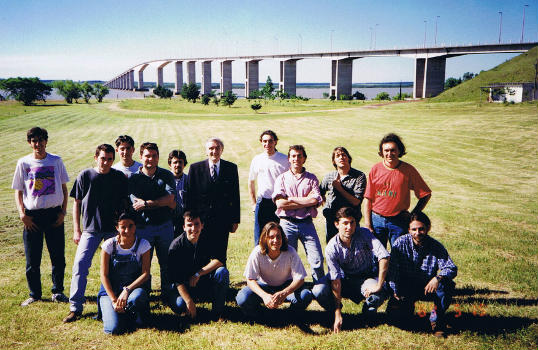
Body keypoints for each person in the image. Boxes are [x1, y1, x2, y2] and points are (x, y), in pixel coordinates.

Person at [64, 144, 128, 322]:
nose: (106, 162)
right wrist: (77, 229)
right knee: (80, 265)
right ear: (95, 157)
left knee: (114, 268)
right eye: (102, 158)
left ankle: (109, 305)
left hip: (112, 231)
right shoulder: (86, 176)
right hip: (90, 230)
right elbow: (76, 203)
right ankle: (75, 307)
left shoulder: (118, 177)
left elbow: (124, 203)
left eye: (109, 159)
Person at [12, 127, 69, 306]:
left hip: (54, 215)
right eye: (34, 141)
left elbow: (65, 189)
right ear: (30, 143)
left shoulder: (56, 161)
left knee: (58, 256)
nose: (38, 144)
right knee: (32, 258)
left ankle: (58, 291)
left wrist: (63, 212)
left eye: (41, 140)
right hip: (32, 217)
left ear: (46, 141)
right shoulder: (23, 163)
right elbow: (18, 191)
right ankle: (35, 294)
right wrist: (22, 214)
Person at [313, 207, 390, 333]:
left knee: (377, 294)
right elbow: (335, 280)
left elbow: (384, 256)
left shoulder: (365, 234)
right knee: (318, 290)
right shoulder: (331, 247)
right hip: (343, 279)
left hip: (365, 277)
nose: (349, 227)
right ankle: (334, 312)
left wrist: (379, 285)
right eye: (345, 223)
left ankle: (367, 313)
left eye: (352, 222)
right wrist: (337, 311)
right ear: (337, 224)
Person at [387, 211, 457, 337]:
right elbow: (392, 269)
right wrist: (394, 291)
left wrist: (437, 278)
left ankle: (437, 321)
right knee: (401, 321)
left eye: (421, 229)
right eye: (414, 229)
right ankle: (402, 308)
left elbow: (451, 267)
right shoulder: (400, 243)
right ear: (408, 229)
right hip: (406, 285)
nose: (417, 233)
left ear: (428, 228)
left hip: (427, 286)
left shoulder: (436, 246)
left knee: (447, 284)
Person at [364, 133, 431, 248]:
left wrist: (413, 214)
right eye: (386, 151)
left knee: (399, 255)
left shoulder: (408, 170)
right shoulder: (375, 169)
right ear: (382, 152)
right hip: (377, 220)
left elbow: (425, 194)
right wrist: (368, 223)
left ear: (399, 151)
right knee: (376, 256)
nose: (389, 154)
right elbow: (368, 198)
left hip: (398, 222)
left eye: (393, 150)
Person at [236, 222, 312, 319]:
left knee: (305, 295)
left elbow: (300, 279)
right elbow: (250, 280)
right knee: (242, 298)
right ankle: (261, 315)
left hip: (286, 286)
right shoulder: (257, 252)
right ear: (265, 238)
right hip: (264, 286)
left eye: (278, 237)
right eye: (271, 237)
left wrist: (284, 293)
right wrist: (264, 296)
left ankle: (290, 316)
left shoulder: (290, 251)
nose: (275, 240)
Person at [128, 142, 176, 298]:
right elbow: (136, 204)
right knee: (143, 264)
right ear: (141, 157)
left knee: (167, 262)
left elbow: (170, 199)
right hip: (143, 228)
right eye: (147, 156)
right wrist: (158, 203)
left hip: (164, 226)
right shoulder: (133, 178)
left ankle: (168, 294)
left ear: (158, 157)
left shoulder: (166, 175)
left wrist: (147, 203)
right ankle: (144, 295)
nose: (150, 159)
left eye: (154, 156)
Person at [272, 145, 324, 282]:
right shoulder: (281, 178)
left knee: (317, 258)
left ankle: (320, 288)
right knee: (287, 259)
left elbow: (315, 200)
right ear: (289, 159)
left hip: (306, 224)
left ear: (304, 158)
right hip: (286, 223)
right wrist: (306, 201)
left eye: (299, 156)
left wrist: (291, 199)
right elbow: (280, 204)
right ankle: (290, 288)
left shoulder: (312, 178)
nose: (296, 159)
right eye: (293, 156)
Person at [185, 137, 240, 266]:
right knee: (200, 255)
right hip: (200, 221)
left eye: (217, 148)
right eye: (211, 148)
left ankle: (220, 284)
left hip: (222, 221)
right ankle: (201, 284)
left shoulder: (231, 168)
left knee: (220, 256)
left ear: (222, 150)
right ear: (206, 151)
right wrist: (190, 219)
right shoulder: (195, 168)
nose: (214, 151)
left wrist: (235, 220)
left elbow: (235, 196)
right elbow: (190, 196)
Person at [167, 211, 229, 322]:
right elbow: (176, 280)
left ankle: (217, 313)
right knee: (180, 304)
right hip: (182, 286)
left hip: (201, 281)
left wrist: (198, 273)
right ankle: (189, 308)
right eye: (189, 225)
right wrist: (188, 301)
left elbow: (219, 260)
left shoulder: (208, 238)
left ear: (202, 225)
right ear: (184, 227)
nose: (193, 228)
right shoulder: (175, 246)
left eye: (196, 224)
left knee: (222, 272)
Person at [98, 212, 151, 334]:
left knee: (136, 298)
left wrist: (127, 290)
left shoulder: (143, 245)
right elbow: (104, 275)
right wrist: (113, 299)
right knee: (113, 329)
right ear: (117, 228)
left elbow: (145, 274)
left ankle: (131, 313)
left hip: (133, 290)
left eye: (131, 226)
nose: (127, 230)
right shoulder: (108, 245)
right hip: (111, 291)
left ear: (135, 226)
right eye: (123, 227)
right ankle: (118, 314)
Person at [248, 130, 289, 246]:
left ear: (275, 142)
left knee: (279, 235)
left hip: (279, 202)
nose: (267, 144)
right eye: (264, 141)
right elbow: (251, 181)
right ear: (261, 142)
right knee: (260, 236)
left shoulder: (285, 159)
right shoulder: (257, 159)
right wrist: (253, 203)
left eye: (270, 141)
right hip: (262, 201)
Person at [320, 146, 366, 243]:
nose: (341, 157)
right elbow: (320, 191)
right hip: (332, 220)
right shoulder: (329, 177)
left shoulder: (359, 176)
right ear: (334, 161)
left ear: (349, 158)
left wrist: (339, 188)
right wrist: (322, 199)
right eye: (337, 156)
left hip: (350, 221)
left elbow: (356, 201)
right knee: (333, 248)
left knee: (353, 247)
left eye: (344, 155)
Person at [168, 149, 189, 237]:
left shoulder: (189, 180)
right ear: (170, 164)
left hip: (184, 220)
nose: (178, 165)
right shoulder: (165, 180)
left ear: (184, 164)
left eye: (180, 162)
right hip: (168, 221)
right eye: (175, 162)